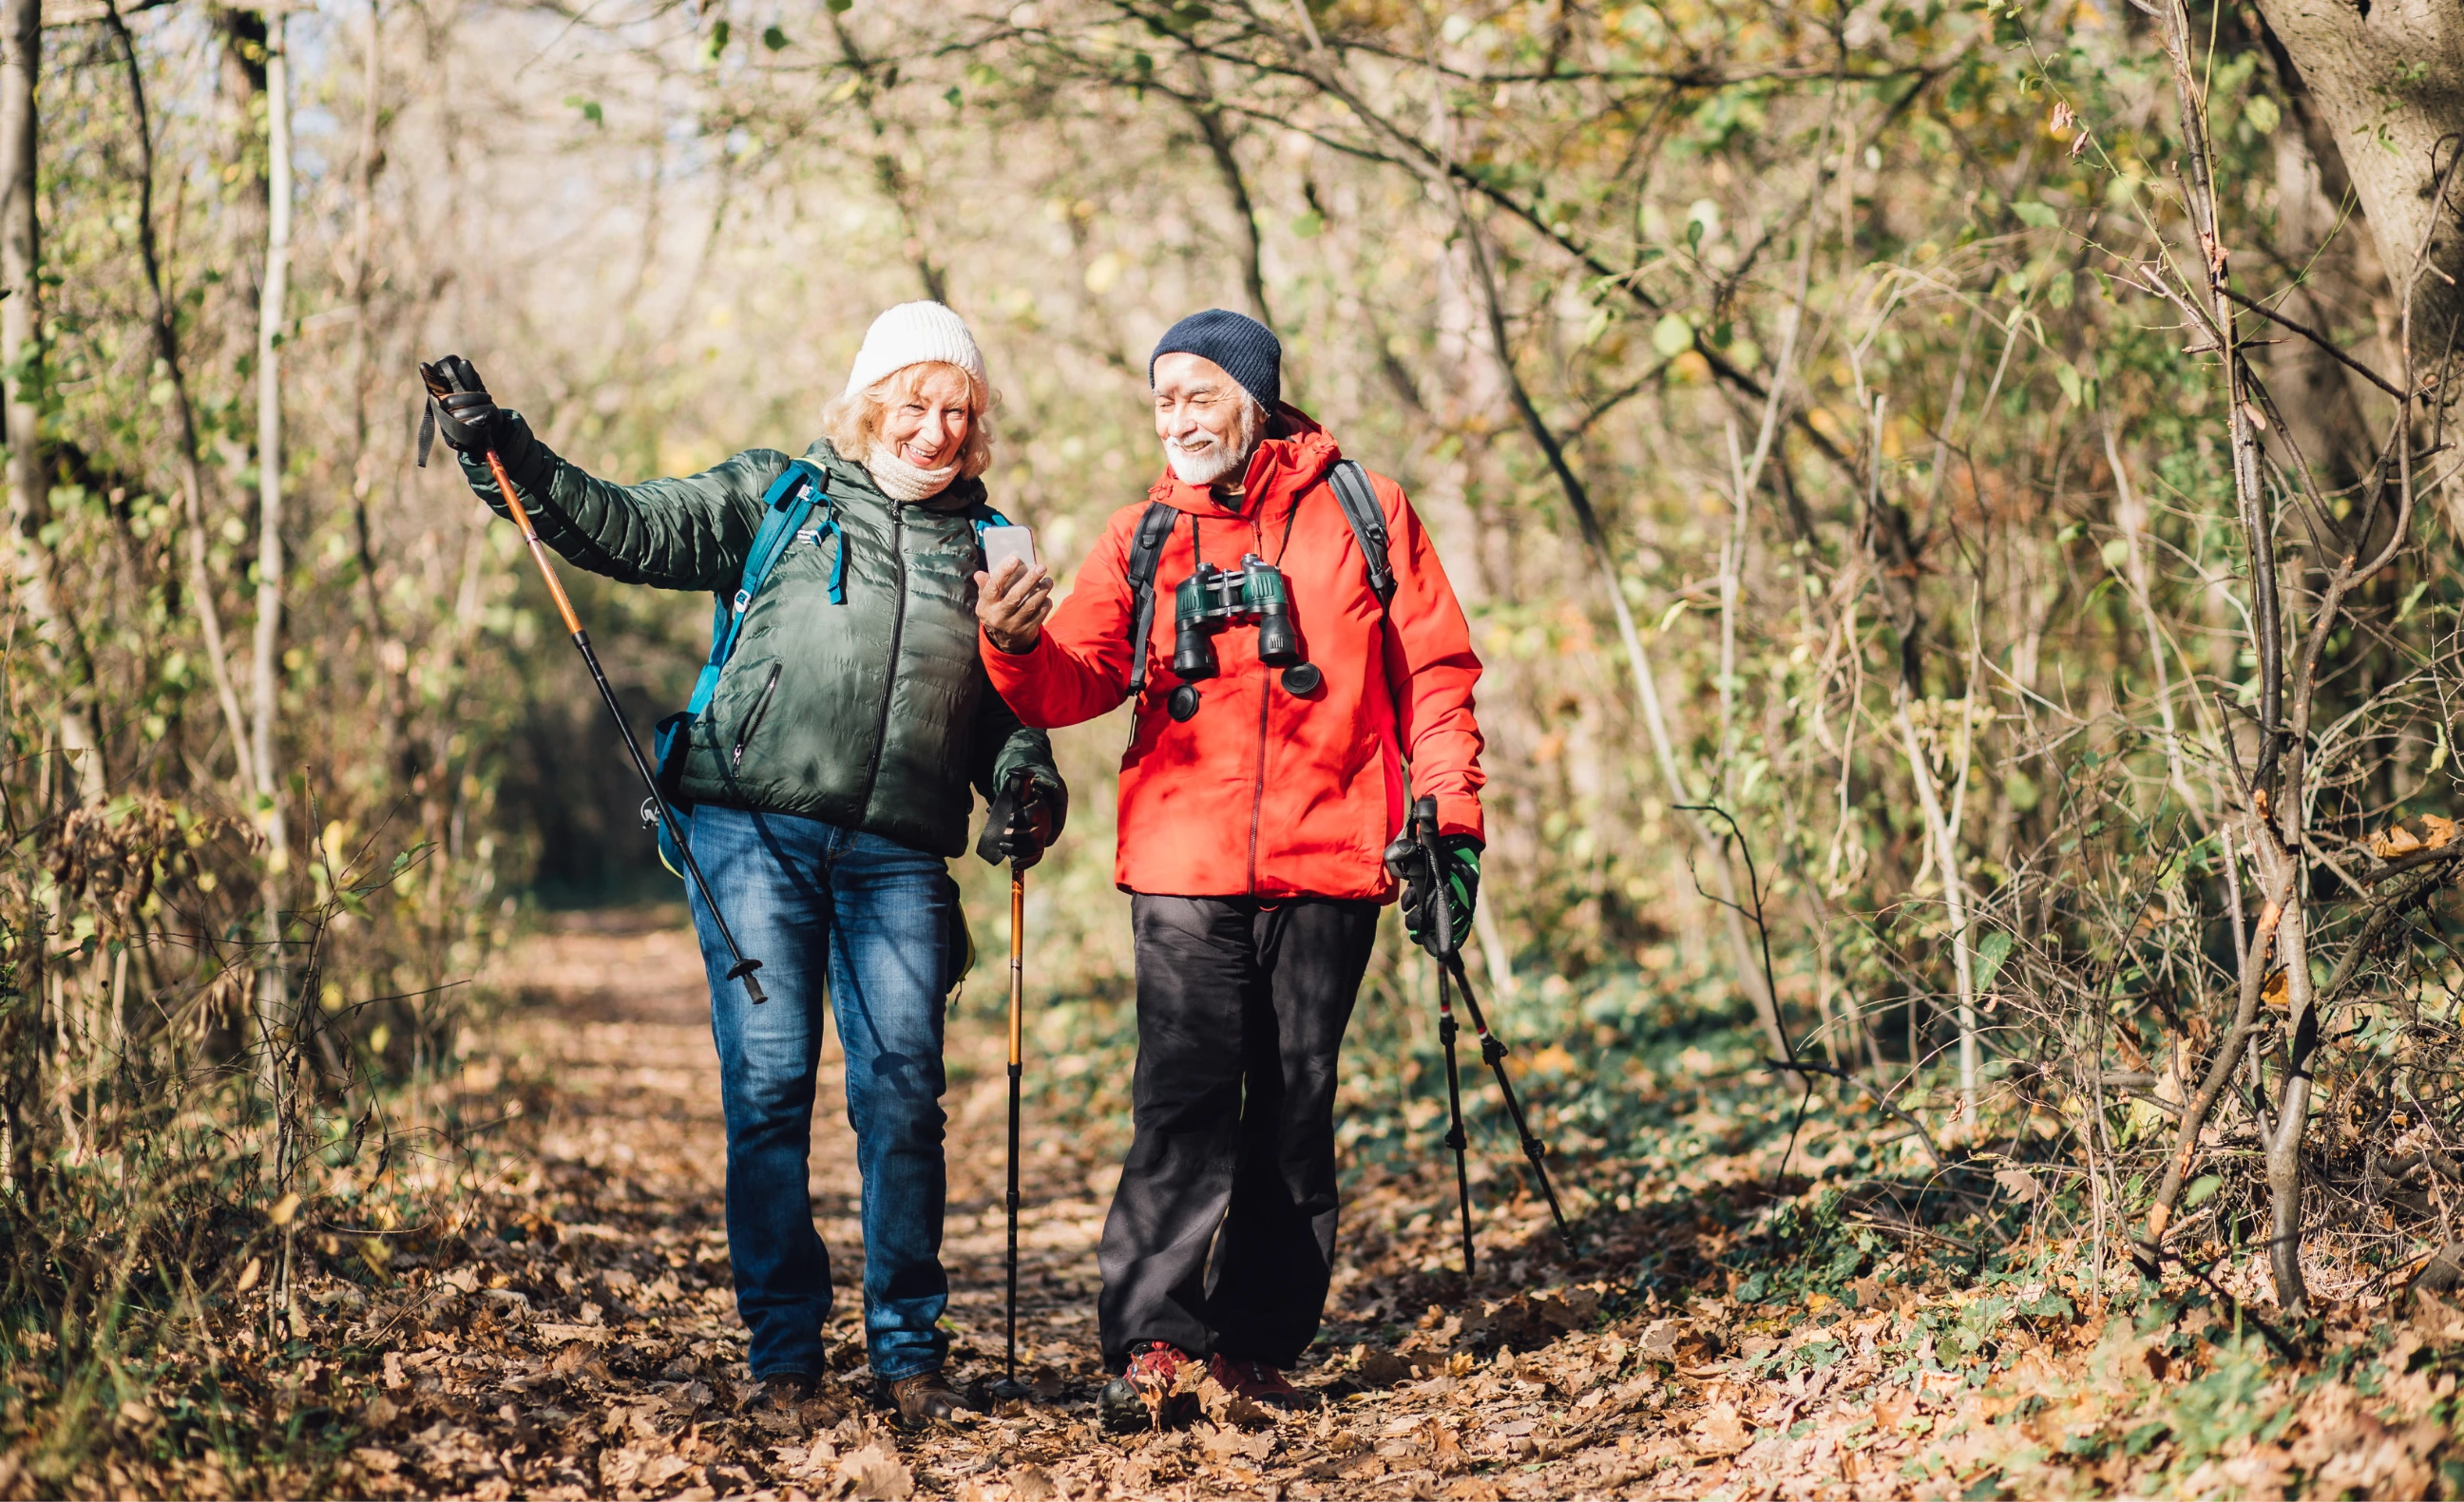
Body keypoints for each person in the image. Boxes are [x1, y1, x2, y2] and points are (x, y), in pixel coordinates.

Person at [425, 302, 1064, 1428]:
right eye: (915, 404)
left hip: (900, 861)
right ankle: (785, 1355)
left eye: (960, 412)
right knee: (768, 1092)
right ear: (871, 401)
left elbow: (1016, 707)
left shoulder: (992, 544)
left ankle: (909, 1355)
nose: (937, 430)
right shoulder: (780, 497)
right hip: (750, 836)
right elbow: (621, 528)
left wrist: (1028, 786)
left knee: (904, 1099)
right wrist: (505, 450)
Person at [973, 308, 1484, 1429]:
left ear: (1254, 400)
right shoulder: (1141, 534)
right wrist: (1010, 643)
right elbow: (1073, 679)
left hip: (1331, 856)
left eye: (1198, 394)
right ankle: (1153, 1340)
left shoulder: (1367, 509)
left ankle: (1255, 1344)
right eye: (1162, 398)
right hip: (1182, 861)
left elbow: (1437, 676)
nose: (1176, 418)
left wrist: (1450, 823)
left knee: (1295, 1105)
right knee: (1182, 1100)